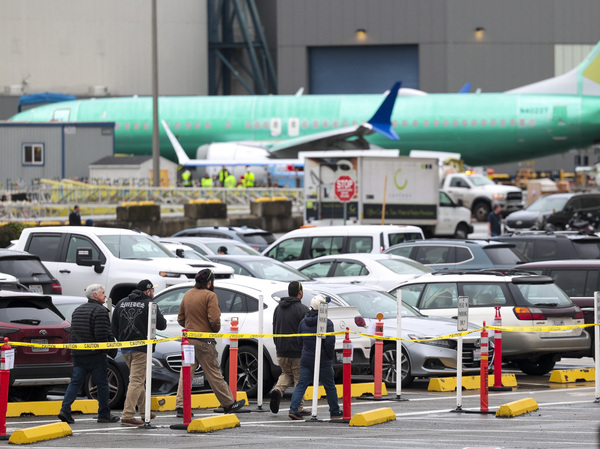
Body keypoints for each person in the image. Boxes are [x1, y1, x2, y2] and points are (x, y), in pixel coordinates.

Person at [174, 269, 245, 417]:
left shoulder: (187, 294)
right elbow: (214, 319)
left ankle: (181, 406)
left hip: (189, 341)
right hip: (204, 342)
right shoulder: (210, 296)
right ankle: (228, 404)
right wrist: (214, 330)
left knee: (186, 373)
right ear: (210, 282)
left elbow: (180, 319)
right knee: (214, 373)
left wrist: (191, 326)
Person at [58, 284, 119, 424]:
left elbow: (74, 332)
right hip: (95, 356)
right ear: (95, 295)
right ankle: (104, 413)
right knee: (103, 384)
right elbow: (101, 335)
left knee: (75, 382)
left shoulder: (77, 310)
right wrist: (108, 350)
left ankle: (65, 410)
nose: (105, 295)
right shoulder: (101, 311)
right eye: (103, 293)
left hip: (78, 354)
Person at [112, 279, 167, 426]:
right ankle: (128, 414)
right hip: (142, 349)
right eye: (152, 291)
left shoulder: (121, 303)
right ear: (148, 291)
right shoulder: (150, 304)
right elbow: (162, 325)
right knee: (136, 381)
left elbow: (114, 326)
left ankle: (145, 412)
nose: (153, 293)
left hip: (125, 348)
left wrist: (122, 341)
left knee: (139, 380)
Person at [288, 295, 342, 420]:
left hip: (306, 358)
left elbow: (299, 340)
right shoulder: (327, 323)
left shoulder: (303, 321)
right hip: (323, 360)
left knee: (301, 385)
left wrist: (305, 352)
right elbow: (329, 342)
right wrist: (329, 356)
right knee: (329, 386)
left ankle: (293, 409)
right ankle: (334, 411)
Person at [269, 281, 310, 415]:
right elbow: (307, 331)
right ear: (300, 292)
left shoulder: (278, 308)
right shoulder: (303, 309)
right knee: (300, 378)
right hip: (297, 352)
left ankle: (277, 390)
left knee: (287, 373)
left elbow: (274, 328)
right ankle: (297, 408)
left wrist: (277, 346)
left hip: (281, 350)